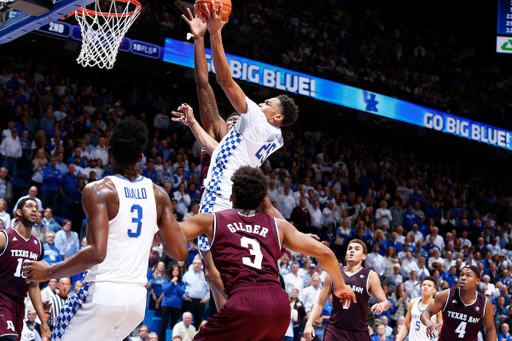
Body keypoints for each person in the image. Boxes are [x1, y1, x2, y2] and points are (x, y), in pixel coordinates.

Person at [22, 119, 188, 341]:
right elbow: (180, 252)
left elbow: (96, 253)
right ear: (141, 157)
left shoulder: (99, 190)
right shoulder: (159, 194)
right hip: (137, 301)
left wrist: (50, 271)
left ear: (109, 153)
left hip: (103, 295)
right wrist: (154, 236)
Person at [177, 166, 354, 341]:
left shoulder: (212, 219)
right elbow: (326, 253)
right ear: (261, 200)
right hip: (279, 305)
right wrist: (340, 286)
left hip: (246, 301)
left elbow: (171, 233)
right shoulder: (279, 226)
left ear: (232, 197)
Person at [304, 240, 391, 341]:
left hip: (358, 332)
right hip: (334, 330)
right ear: (346, 254)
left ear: (363, 256)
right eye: (349, 249)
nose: (352, 251)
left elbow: (385, 302)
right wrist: (309, 323)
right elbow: (319, 303)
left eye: (356, 249)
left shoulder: (370, 276)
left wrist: (382, 305)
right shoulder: (333, 274)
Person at [0, 198, 50, 341]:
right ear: (19, 212)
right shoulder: (5, 236)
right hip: (1, 297)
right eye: (29, 206)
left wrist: (43, 321)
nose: (34, 209)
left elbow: (33, 286)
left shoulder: (38, 246)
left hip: (19, 304)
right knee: (7, 338)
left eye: (36, 207)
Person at [421, 264, 496, 341]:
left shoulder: (485, 303)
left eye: (468, 275)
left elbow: (490, 329)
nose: (463, 278)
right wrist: (428, 322)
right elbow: (426, 312)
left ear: (477, 281)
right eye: (462, 275)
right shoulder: (446, 295)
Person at [395, 276, 443, 341]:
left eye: (429, 286)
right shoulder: (412, 303)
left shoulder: (438, 307)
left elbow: (441, 332)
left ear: (434, 290)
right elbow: (406, 325)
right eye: (424, 285)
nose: (425, 287)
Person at [182, 257, 209, 330]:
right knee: (186, 320)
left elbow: (208, 289)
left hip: (200, 302)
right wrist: (184, 296)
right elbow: (182, 286)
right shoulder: (187, 274)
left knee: (199, 321)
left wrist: (205, 299)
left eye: (198, 263)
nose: (196, 265)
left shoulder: (204, 275)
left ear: (201, 265)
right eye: (195, 263)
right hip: (189, 301)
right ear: (192, 264)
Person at [160, 264, 186, 340]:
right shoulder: (167, 280)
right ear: (171, 271)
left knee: (174, 325)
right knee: (164, 324)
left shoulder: (181, 282)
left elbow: (182, 292)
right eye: (174, 270)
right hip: (166, 304)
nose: (175, 271)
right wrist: (172, 282)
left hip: (176, 306)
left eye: (177, 270)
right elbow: (164, 289)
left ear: (179, 272)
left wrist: (176, 284)